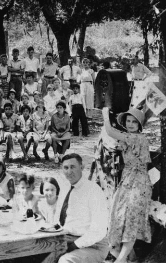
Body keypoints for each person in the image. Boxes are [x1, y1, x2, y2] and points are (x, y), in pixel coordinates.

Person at [102, 108, 152, 263]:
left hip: (139, 182)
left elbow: (110, 131)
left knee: (131, 220)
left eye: (134, 122)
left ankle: (121, 260)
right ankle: (129, 259)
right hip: (127, 180)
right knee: (118, 217)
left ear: (139, 125)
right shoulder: (130, 139)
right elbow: (115, 143)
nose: (130, 124)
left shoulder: (138, 138)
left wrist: (105, 114)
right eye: (128, 121)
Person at [58, 153, 109, 263]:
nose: (69, 171)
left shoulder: (93, 190)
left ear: (82, 167)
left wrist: (74, 245)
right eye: (66, 168)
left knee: (65, 261)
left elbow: (98, 231)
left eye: (73, 167)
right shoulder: (64, 188)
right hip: (67, 239)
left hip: (93, 246)